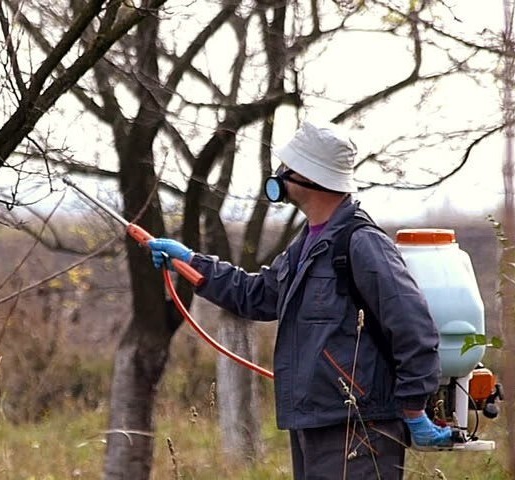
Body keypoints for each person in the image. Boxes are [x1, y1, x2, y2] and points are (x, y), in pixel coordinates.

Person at [147, 119, 453, 479]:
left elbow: (413, 326)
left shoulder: (361, 243)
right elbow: (257, 294)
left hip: (358, 429)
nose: (280, 174)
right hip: (314, 422)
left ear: (311, 175)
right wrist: (192, 262)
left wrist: (414, 409)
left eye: (288, 168)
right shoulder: (306, 244)